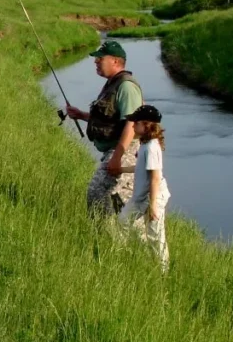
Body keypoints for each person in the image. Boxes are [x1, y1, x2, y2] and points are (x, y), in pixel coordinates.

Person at [64, 40, 143, 217]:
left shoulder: (127, 86)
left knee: (105, 198)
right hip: (115, 152)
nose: (96, 62)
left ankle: (111, 240)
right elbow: (110, 119)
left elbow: (131, 124)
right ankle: (103, 238)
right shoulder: (112, 84)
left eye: (100, 58)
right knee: (100, 197)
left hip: (125, 152)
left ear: (115, 61)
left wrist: (117, 158)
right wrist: (81, 115)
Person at [117, 104, 171, 271]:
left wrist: (153, 205)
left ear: (147, 125)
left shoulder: (152, 148)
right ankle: (123, 259)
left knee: (155, 235)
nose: (132, 125)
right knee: (122, 222)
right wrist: (121, 169)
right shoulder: (145, 145)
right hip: (141, 197)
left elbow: (155, 178)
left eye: (136, 122)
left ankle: (163, 272)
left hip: (152, 197)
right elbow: (140, 168)